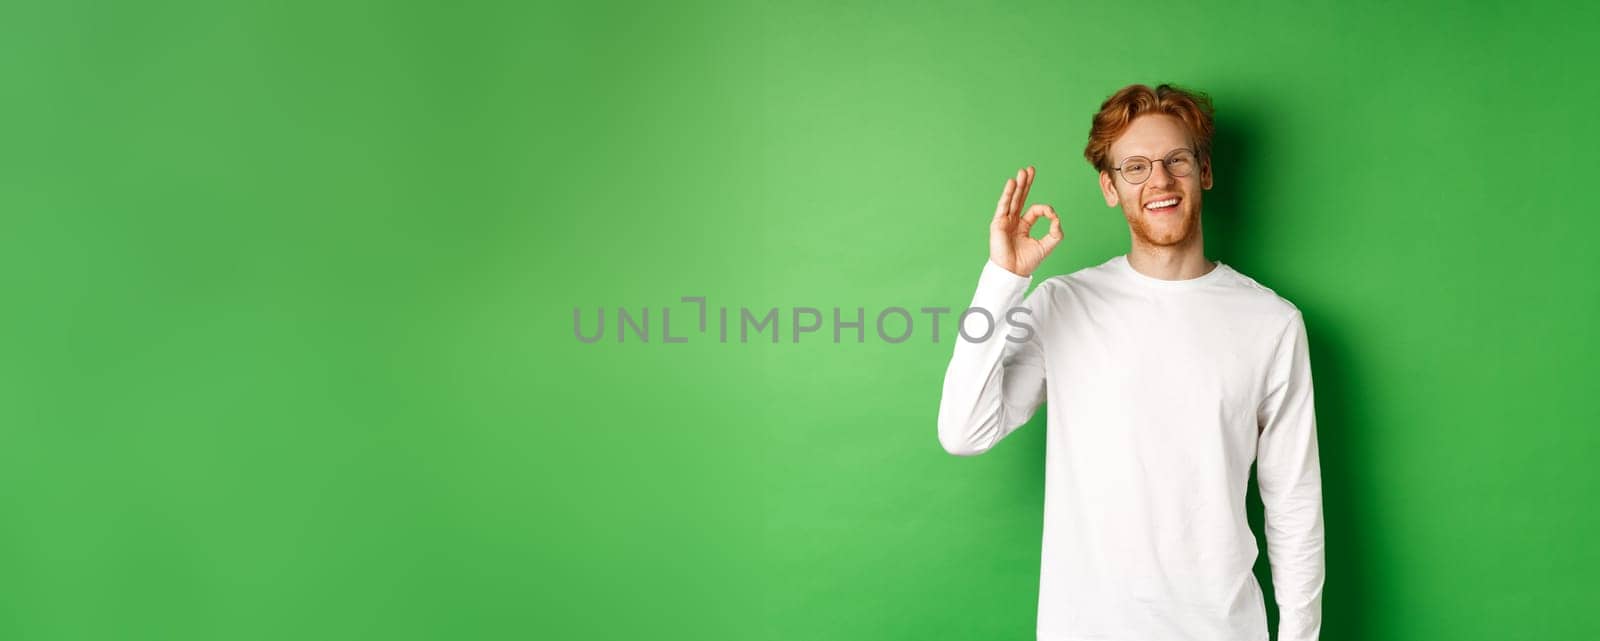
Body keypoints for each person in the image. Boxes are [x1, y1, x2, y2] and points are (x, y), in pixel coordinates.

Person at [936, 83, 1324, 641]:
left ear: (1204, 171)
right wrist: (1004, 279)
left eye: (1176, 161)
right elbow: (963, 430)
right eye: (1135, 167)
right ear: (1110, 187)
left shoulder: (1272, 322)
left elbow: (1294, 504)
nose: (1159, 181)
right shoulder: (1062, 304)